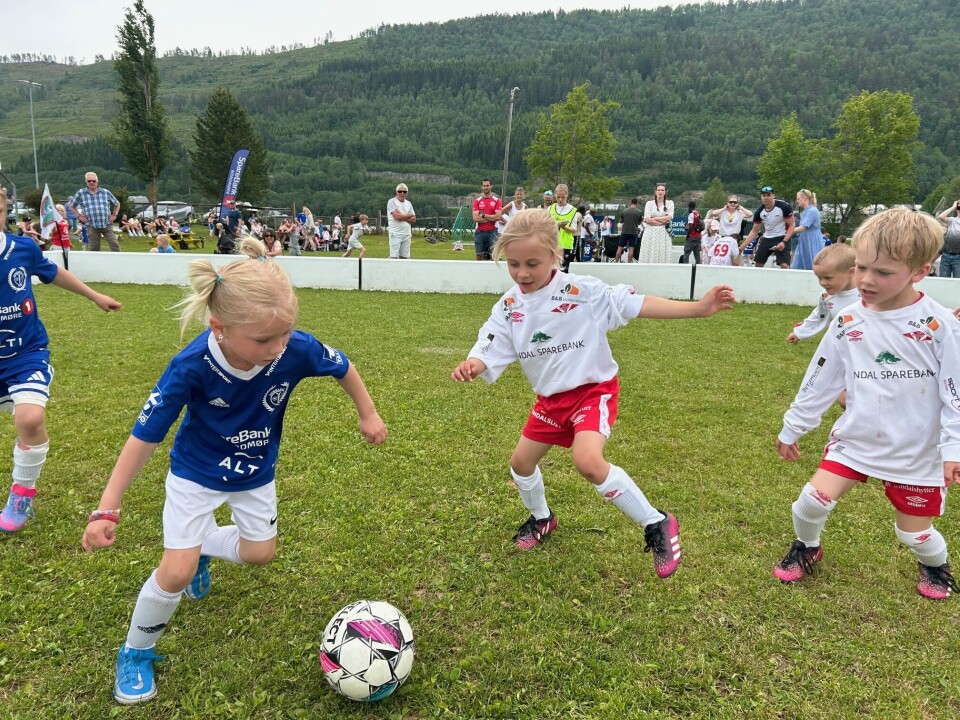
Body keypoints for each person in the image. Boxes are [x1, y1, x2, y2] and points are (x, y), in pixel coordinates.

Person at [81, 236, 387, 704]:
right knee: (175, 572)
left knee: (260, 553)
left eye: (286, 333)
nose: (278, 347)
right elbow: (144, 437)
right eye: (264, 339)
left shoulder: (294, 349)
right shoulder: (190, 367)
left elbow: (343, 366)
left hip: (255, 474)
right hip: (195, 475)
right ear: (219, 327)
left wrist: (368, 413)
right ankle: (136, 652)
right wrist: (107, 508)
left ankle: (202, 546)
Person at [451, 208, 735, 577]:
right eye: (513, 263)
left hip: (592, 391)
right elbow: (492, 341)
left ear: (555, 254)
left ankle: (657, 522)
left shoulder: (582, 291)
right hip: (550, 401)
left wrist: (697, 309)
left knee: (587, 461)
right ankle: (542, 518)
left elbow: (636, 304)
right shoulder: (509, 305)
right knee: (520, 464)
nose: (522, 273)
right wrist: (475, 363)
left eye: (532, 264)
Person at [773, 207, 960, 600]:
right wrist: (793, 426)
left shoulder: (939, 325)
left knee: (913, 533)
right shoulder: (847, 320)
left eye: (883, 272)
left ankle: (935, 565)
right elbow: (820, 378)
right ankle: (808, 546)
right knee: (809, 503)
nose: (866, 280)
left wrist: (954, 448)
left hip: (916, 451)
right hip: (857, 439)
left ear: (920, 272)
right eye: (861, 267)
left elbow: (954, 392)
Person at [0, 185, 122, 534]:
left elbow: (53, 273)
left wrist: (94, 295)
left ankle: (22, 494)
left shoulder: (21, 248)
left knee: (30, 418)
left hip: (26, 353)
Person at [786, 243, 859, 344]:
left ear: (851, 272)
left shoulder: (869, 295)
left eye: (828, 278)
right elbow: (818, 316)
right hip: (841, 346)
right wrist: (799, 333)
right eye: (819, 277)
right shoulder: (826, 296)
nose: (822, 282)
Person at [740, 186, 795, 269]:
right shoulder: (759, 211)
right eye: (763, 195)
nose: (766, 198)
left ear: (773, 196)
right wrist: (741, 248)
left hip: (782, 236)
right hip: (767, 238)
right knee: (758, 264)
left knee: (784, 265)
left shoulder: (783, 206)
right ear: (761, 197)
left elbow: (792, 225)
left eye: (768, 195)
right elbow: (754, 231)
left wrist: (784, 241)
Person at [67, 172, 122, 252]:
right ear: (86, 182)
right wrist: (79, 216)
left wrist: (115, 214)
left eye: (94, 180)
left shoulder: (105, 192)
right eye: (89, 181)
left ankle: (118, 259)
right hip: (91, 226)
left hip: (107, 224)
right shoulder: (81, 193)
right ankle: (95, 260)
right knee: (94, 249)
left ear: (97, 181)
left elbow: (117, 204)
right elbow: (71, 205)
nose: (91, 182)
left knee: (115, 245)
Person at [637, 183, 674, 264]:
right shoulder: (649, 203)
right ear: (655, 191)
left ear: (665, 192)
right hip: (650, 233)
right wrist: (662, 220)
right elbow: (647, 219)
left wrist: (654, 218)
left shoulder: (669, 203)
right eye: (659, 190)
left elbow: (669, 218)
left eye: (662, 190)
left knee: (662, 254)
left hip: (663, 233)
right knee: (649, 253)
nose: (660, 192)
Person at [791, 189, 825, 271]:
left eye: (798, 199)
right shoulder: (806, 211)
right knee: (796, 266)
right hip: (804, 240)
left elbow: (803, 227)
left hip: (812, 241)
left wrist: (788, 231)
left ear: (805, 198)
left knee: (811, 266)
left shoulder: (812, 211)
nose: (797, 201)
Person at [548, 184, 579, 272]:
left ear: (567, 195)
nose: (560, 199)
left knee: (563, 271)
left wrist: (564, 227)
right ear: (555, 195)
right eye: (558, 197)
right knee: (550, 271)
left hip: (565, 245)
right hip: (552, 244)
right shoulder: (550, 208)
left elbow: (574, 229)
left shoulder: (572, 210)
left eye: (563, 197)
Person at [472, 178, 503, 261]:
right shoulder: (477, 201)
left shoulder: (497, 201)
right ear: (482, 187)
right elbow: (475, 218)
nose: (486, 187)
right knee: (479, 256)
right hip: (480, 231)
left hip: (493, 231)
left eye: (487, 185)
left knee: (494, 256)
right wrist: (492, 218)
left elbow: (498, 217)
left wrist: (483, 215)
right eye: (484, 186)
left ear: (491, 186)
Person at [387, 184, 416, 259]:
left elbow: (414, 219)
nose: (402, 193)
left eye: (404, 191)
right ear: (396, 192)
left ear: (407, 193)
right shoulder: (392, 202)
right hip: (395, 233)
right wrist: (408, 215)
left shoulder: (408, 203)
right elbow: (397, 216)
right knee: (394, 257)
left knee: (405, 257)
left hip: (407, 234)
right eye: (400, 191)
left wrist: (402, 216)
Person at [937, 199, 960, 278]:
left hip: (958, 257)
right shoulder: (952, 220)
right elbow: (941, 217)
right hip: (946, 256)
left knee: (958, 282)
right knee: (943, 280)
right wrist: (953, 207)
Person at [615, 198, 643, 264]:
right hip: (634, 232)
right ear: (637, 203)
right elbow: (639, 223)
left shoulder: (625, 211)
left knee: (620, 248)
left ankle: (616, 262)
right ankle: (629, 263)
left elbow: (621, 220)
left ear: (631, 203)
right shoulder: (639, 212)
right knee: (631, 249)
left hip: (624, 232)